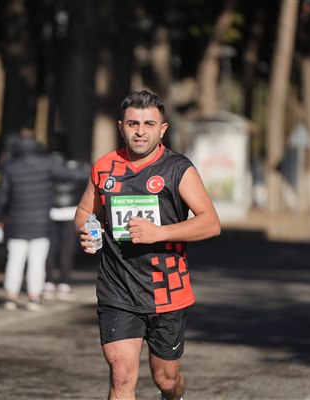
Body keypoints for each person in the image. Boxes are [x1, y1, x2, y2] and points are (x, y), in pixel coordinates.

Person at [74, 90, 221, 400]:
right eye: (133, 124)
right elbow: (86, 210)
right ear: (121, 127)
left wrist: (159, 233)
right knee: (121, 376)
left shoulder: (178, 169)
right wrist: (86, 230)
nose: (140, 131)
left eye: (149, 124)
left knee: (166, 379)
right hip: (117, 289)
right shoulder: (104, 167)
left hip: (167, 291)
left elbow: (210, 223)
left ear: (162, 129)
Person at [0, 129, 85, 311]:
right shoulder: (47, 164)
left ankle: (10, 297)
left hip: (17, 222)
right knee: (37, 262)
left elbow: (2, 197)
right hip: (41, 222)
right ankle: (34, 298)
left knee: (15, 260)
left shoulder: (10, 167)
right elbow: (72, 175)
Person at [44, 140, 91, 301]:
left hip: (50, 210)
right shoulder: (76, 167)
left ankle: (48, 282)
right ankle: (64, 283)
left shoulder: (45, 165)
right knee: (67, 250)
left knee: (49, 249)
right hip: (70, 211)